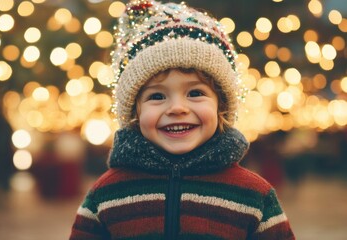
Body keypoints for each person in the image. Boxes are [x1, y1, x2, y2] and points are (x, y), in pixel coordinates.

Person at [70, 1, 295, 239]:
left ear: (222, 107)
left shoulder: (253, 196)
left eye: (195, 93)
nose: (177, 108)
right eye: (157, 96)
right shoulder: (107, 196)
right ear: (135, 115)